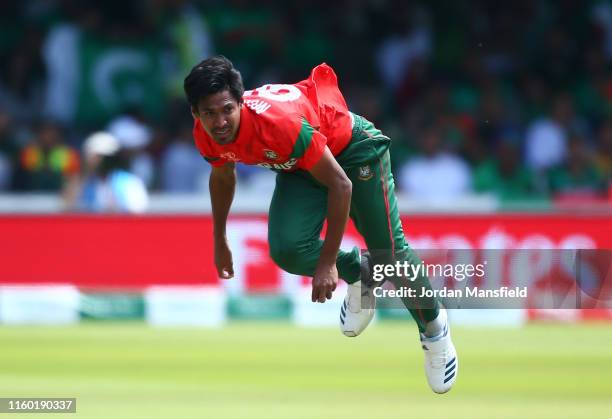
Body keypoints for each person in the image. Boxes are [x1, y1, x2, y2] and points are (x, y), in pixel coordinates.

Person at [184, 55, 458, 393]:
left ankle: (435, 330)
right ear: (196, 114)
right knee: (287, 249)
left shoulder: (277, 124)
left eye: (227, 109)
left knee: (389, 255)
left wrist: (329, 263)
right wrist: (219, 238)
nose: (220, 121)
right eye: (209, 113)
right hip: (300, 164)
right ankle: (361, 272)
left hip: (352, 149)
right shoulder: (206, 134)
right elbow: (223, 176)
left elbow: (341, 185)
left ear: (241, 102)